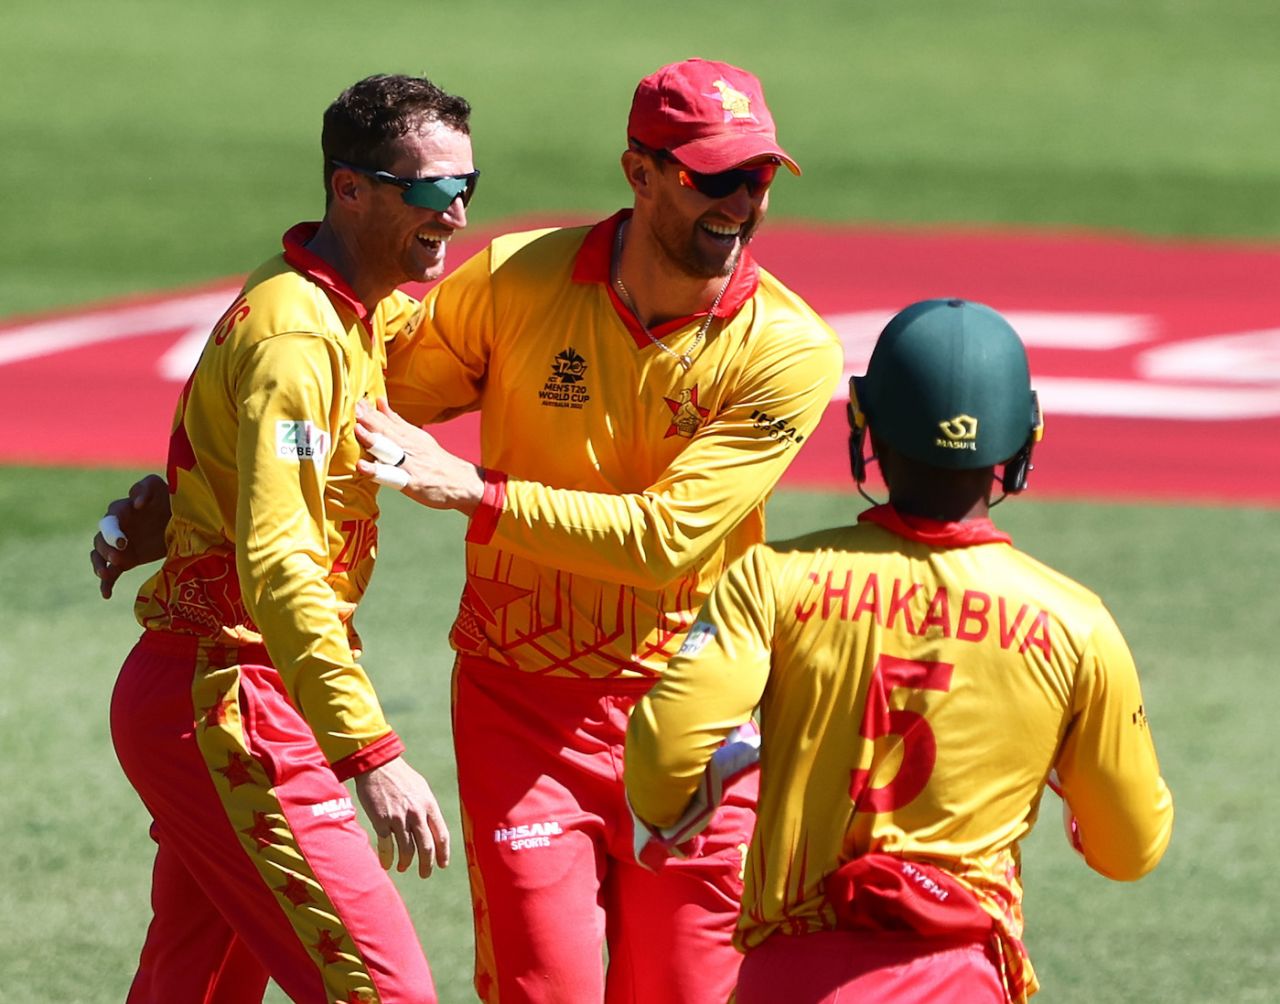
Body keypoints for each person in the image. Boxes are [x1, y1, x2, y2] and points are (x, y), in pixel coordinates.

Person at [94, 58, 843, 1002]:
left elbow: (667, 537)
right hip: (479, 706)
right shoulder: (508, 283)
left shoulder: (790, 348)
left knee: (195, 980)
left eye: (760, 176)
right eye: (714, 177)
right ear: (642, 172)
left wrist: (471, 493)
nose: (742, 200)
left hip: (696, 717)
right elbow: (315, 403)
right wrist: (203, 496)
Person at [624, 298, 1175, 1003]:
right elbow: (1129, 850)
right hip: (959, 977)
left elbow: (662, 761)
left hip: (793, 977)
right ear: (1023, 436)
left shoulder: (773, 577)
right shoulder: (1076, 623)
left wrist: (686, 802)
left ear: (865, 422)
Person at [97, 73, 477, 1004]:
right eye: (431, 190)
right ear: (350, 188)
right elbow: (280, 563)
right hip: (229, 698)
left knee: (195, 984)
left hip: (216, 687)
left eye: (470, 186)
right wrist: (371, 755)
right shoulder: (298, 340)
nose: (457, 214)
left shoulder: (352, 308)